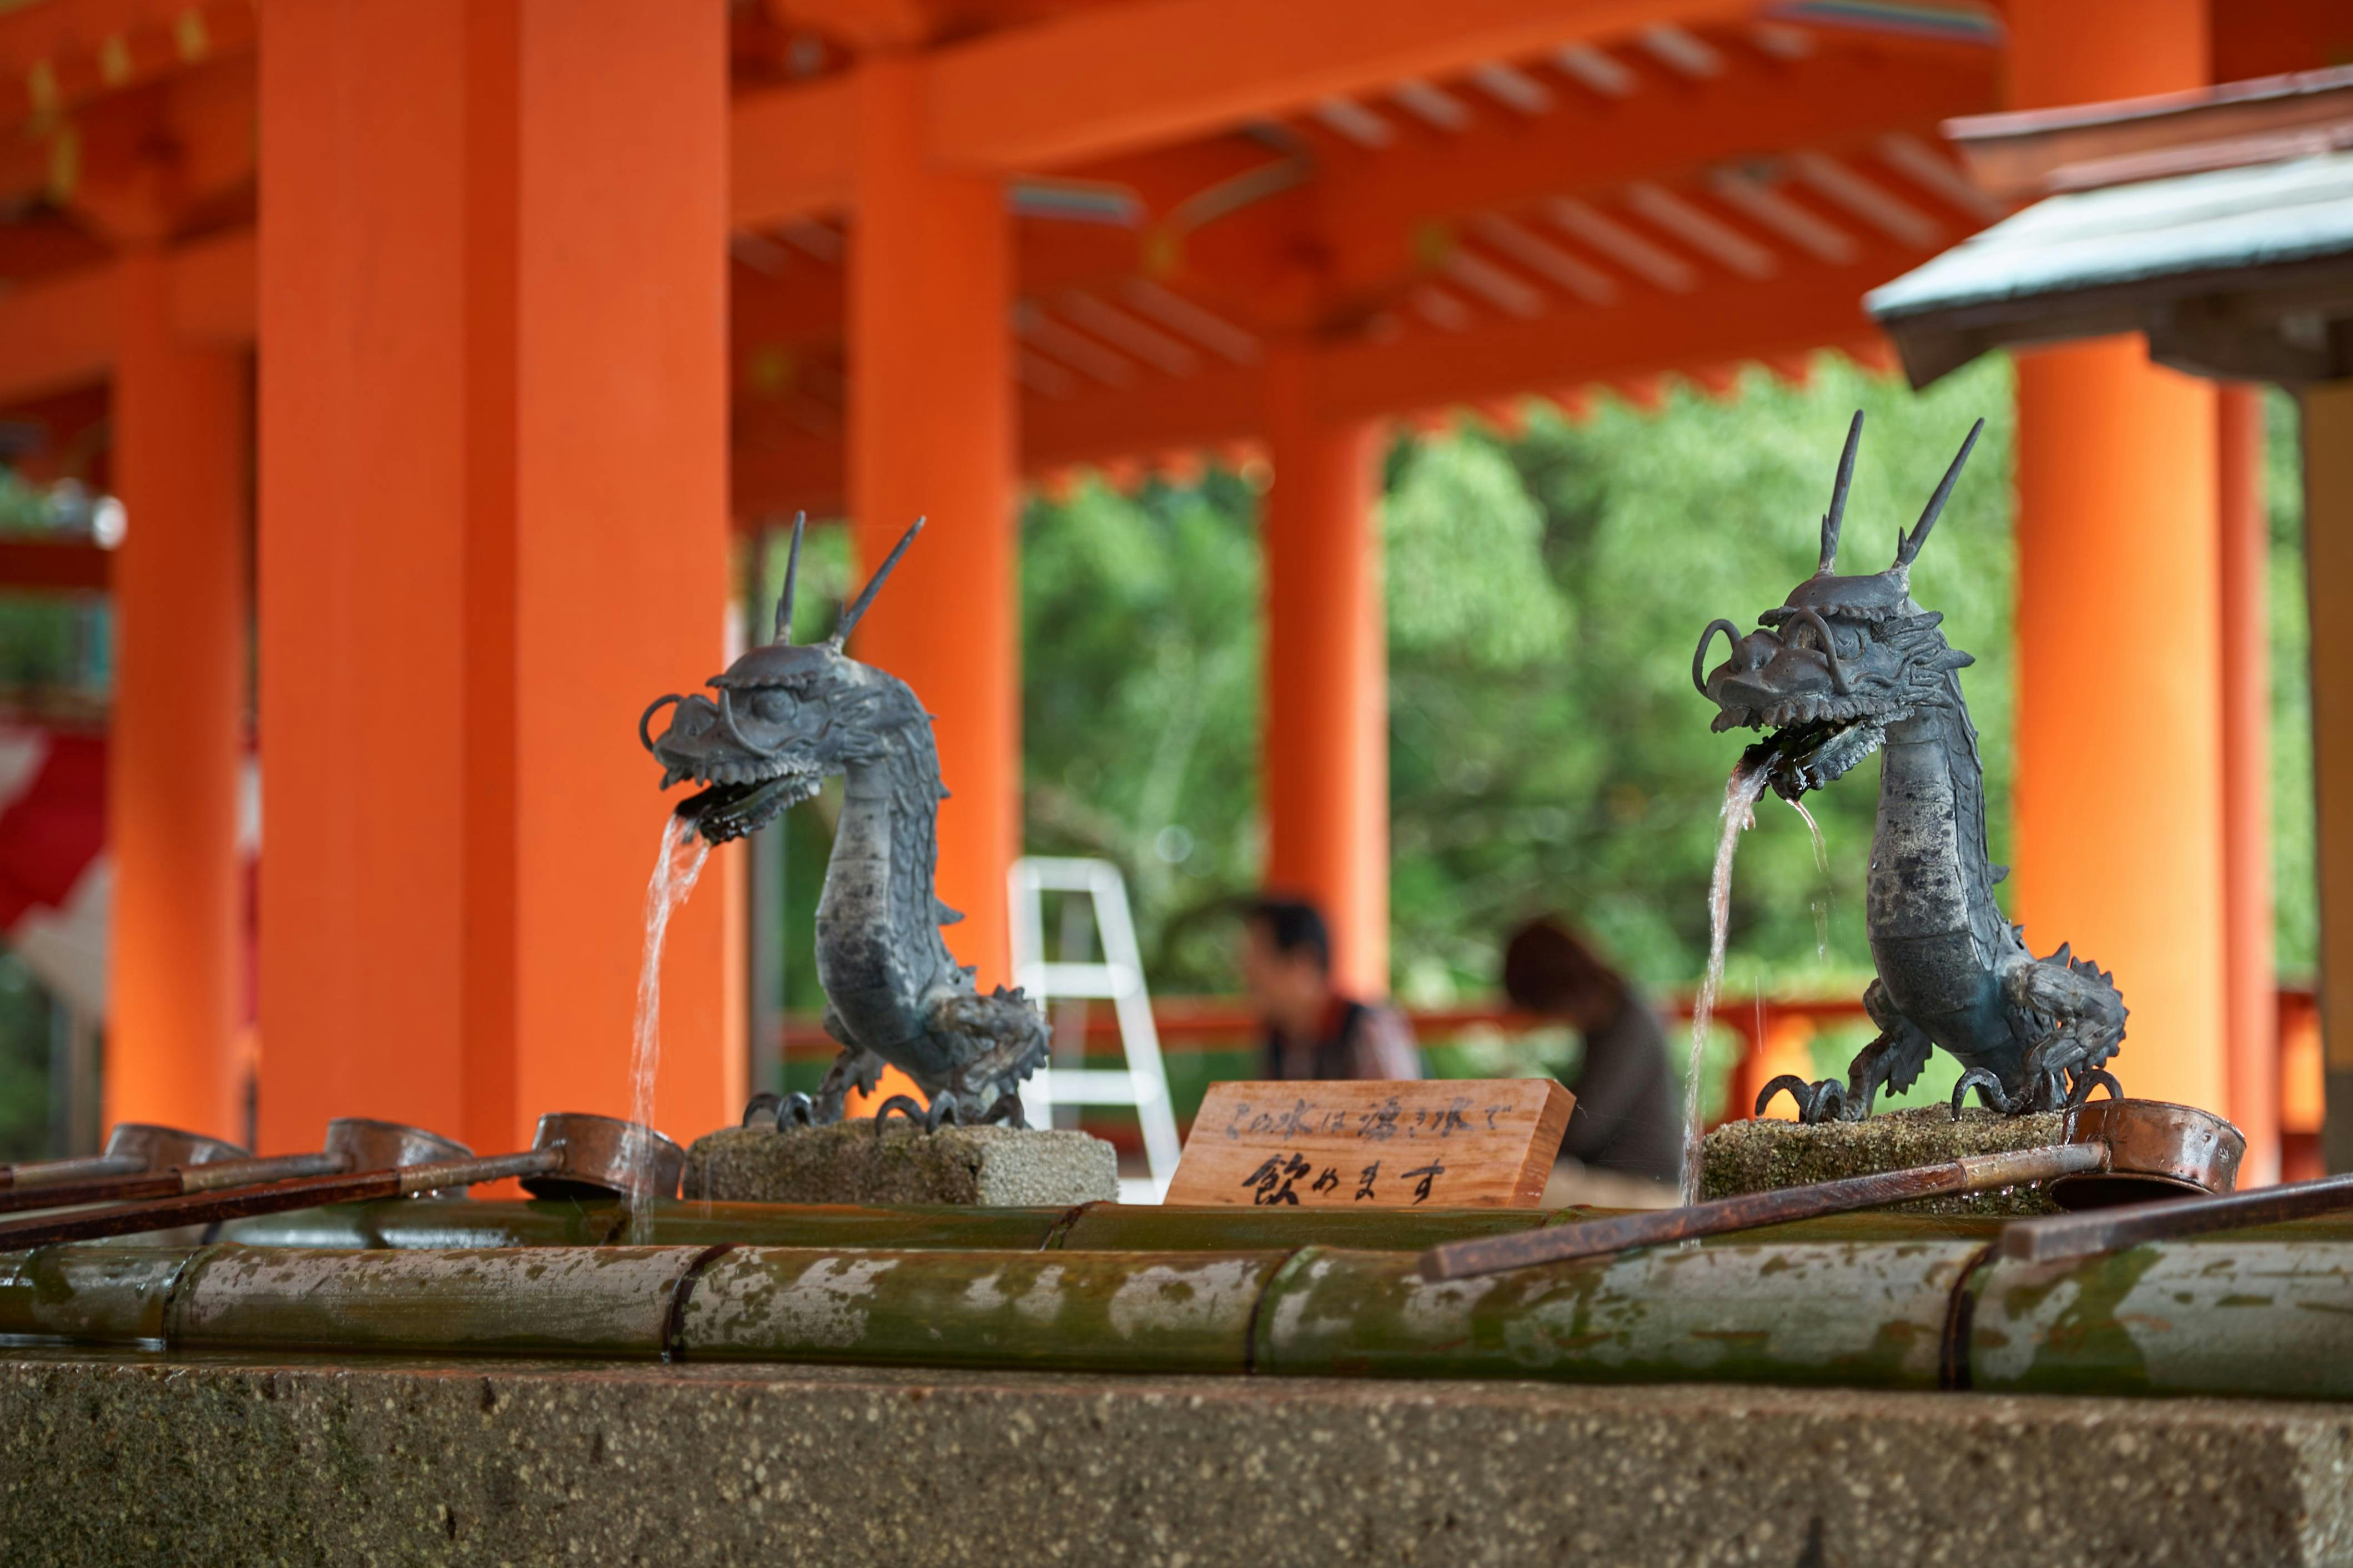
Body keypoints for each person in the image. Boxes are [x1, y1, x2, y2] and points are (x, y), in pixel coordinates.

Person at [1502, 916, 1680, 1186]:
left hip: (1646, 1186)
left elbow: (1583, 1129)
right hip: (1618, 1178)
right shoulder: (1613, 1017)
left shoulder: (1627, 1023)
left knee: (1512, 1187)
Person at [1241, 896, 1420, 1081]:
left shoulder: (1367, 1029)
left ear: (1303, 962)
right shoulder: (1279, 1039)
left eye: (1259, 957)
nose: (1247, 972)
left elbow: (1398, 1099)